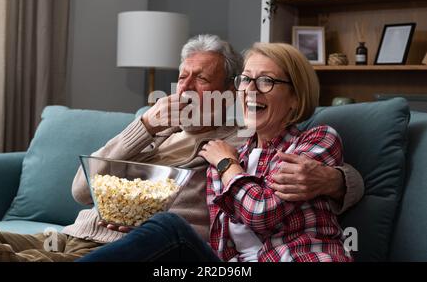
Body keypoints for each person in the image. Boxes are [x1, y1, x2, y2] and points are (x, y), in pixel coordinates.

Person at [0, 36, 362, 261]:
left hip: (133, 247)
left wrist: (337, 180)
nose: (184, 89)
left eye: (201, 79)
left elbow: (298, 172)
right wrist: (144, 126)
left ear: (227, 92)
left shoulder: (233, 140)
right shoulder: (161, 131)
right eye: (181, 77)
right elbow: (82, 190)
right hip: (77, 233)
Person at [77, 42, 354, 262]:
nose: (251, 90)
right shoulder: (231, 153)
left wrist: (337, 180)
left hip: (298, 258)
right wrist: (139, 224)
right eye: (246, 80)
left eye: (266, 81)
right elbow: (82, 189)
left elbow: (261, 212)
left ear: (296, 98)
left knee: (168, 226)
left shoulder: (232, 151)